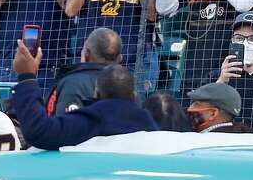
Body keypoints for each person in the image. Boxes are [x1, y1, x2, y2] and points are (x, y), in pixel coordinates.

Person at [12, 43, 157, 150]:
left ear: (96, 93)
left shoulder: (94, 119)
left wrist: (27, 77)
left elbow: (39, 131)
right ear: (133, 96)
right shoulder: (151, 125)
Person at [47, 27, 123, 116]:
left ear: (86, 54)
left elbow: (64, 126)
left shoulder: (71, 84)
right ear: (119, 58)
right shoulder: (126, 85)